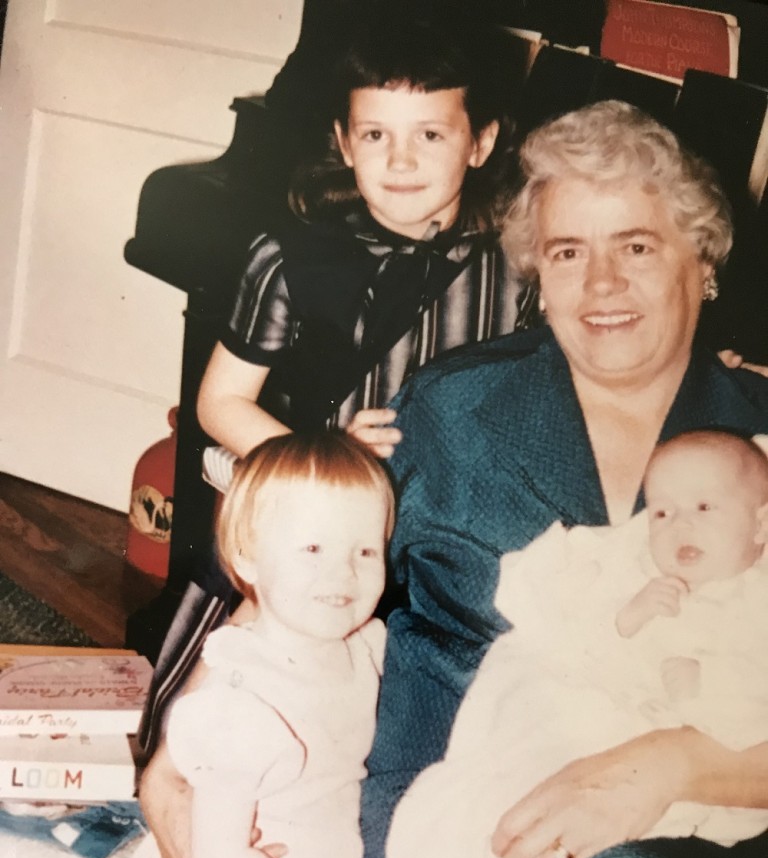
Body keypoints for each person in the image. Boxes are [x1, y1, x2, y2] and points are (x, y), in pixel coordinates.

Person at [143, 100, 768, 858]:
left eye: (636, 246)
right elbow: (296, 579)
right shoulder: (451, 413)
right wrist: (173, 768)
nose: (601, 282)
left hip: (687, 841)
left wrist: (667, 764)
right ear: (537, 279)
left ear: (702, 265)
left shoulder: (755, 441)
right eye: (566, 252)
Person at [137, 3, 529, 761]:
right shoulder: (288, 256)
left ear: (480, 143)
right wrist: (323, 459)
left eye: (431, 135)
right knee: (223, 725)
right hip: (312, 528)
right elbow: (220, 403)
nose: (401, 161)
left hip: (444, 538)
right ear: (344, 143)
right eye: (376, 135)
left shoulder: (516, 268)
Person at [78, 432, 400, 858]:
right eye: (311, 548)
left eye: (364, 551)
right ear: (245, 557)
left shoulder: (365, 647)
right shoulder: (243, 696)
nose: (343, 574)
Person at [386, 429, 768, 858]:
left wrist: (707, 687)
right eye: (663, 513)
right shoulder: (639, 573)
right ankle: (472, 855)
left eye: (706, 509)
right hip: (594, 712)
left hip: (686, 762)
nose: (679, 526)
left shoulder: (756, 605)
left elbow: (756, 700)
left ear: (760, 526)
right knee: (521, 767)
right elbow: (586, 638)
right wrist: (630, 616)